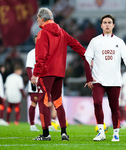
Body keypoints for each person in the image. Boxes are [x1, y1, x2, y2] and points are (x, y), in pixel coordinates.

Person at [31, 7, 88, 141]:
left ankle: (45, 134)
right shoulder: (61, 32)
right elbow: (75, 44)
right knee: (58, 102)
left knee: (43, 101)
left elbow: (41, 56)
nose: (37, 20)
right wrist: (86, 56)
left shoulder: (42, 33)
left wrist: (35, 74)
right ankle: (63, 132)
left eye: (38, 18)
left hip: (46, 72)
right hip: (59, 72)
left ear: (42, 18)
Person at [84, 14, 126, 142]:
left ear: (113, 25)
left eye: (109, 22)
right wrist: (89, 78)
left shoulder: (119, 41)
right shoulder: (94, 41)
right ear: (101, 25)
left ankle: (116, 133)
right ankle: (101, 132)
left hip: (114, 80)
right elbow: (87, 59)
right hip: (98, 80)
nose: (107, 24)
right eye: (104, 22)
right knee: (97, 103)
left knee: (114, 107)